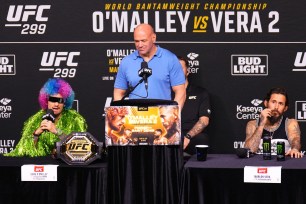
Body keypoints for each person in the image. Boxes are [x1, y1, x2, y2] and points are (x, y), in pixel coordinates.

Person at [4, 78, 87, 157]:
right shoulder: (36, 119)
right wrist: (36, 134)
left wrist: (57, 131)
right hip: (42, 164)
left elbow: (80, 147)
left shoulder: (75, 119)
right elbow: (23, 149)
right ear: (46, 101)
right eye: (53, 100)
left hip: (65, 163)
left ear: (65, 103)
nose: (56, 104)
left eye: (60, 101)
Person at [113, 23, 186, 109]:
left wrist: (172, 115)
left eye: (143, 40)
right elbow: (118, 93)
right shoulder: (126, 62)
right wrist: (121, 115)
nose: (139, 45)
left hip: (161, 118)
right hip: (134, 118)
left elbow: (180, 91)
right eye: (136, 41)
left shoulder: (170, 59)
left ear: (153, 38)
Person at [244, 87, 303, 158]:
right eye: (273, 102)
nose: (276, 107)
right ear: (266, 103)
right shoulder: (252, 124)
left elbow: (295, 140)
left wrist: (295, 149)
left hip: (282, 165)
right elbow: (250, 150)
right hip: (258, 165)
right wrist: (261, 124)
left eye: (281, 104)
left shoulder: (290, 123)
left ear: (285, 108)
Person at [177, 56, 211, 155]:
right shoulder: (165, 93)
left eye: (180, 68)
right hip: (170, 136)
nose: (177, 71)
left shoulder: (200, 93)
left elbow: (204, 121)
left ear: (188, 71)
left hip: (191, 136)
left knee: (202, 139)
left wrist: (188, 137)